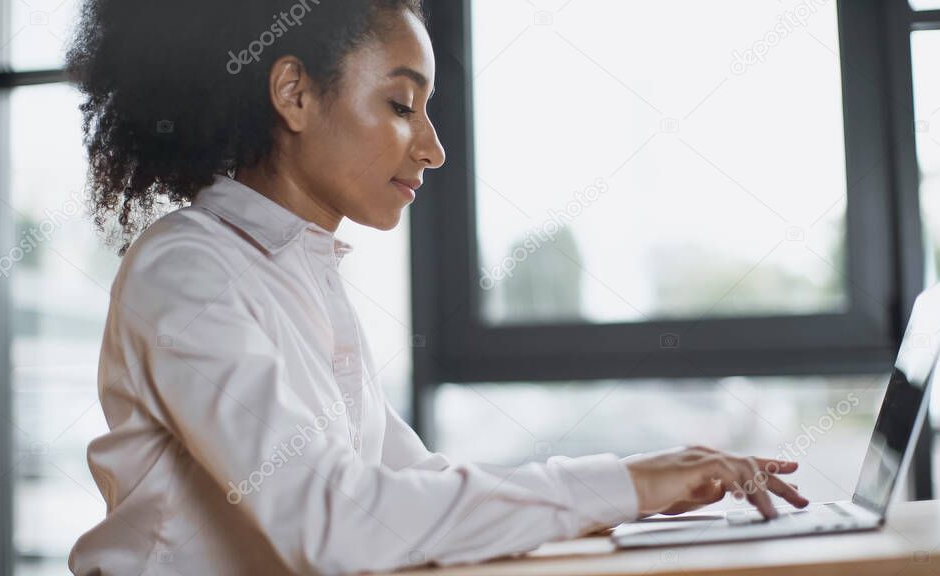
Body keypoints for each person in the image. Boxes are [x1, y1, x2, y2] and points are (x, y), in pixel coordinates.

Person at [65, 0, 809, 574]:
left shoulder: (300, 269)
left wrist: (647, 494)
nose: (434, 147)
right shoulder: (187, 272)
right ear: (294, 94)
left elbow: (412, 485)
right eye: (400, 104)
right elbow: (336, 523)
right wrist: (624, 484)